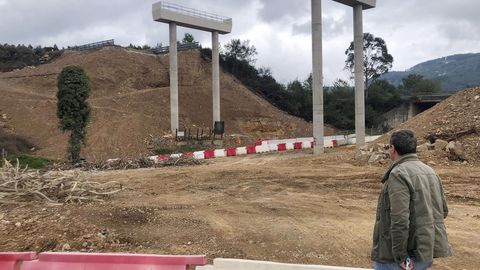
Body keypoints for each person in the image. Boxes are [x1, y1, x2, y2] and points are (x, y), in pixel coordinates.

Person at [372, 129, 452, 270]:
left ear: (393, 149)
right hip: (424, 253)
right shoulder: (431, 172)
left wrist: (401, 257)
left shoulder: (398, 174)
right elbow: (443, 211)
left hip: (401, 259)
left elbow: (400, 220)